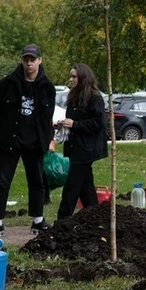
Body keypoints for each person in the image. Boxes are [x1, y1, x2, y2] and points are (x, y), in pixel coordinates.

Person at [0, 44, 56, 239]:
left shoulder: (47, 87)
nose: (29, 63)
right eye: (25, 59)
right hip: (10, 142)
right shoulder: (7, 84)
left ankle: (38, 221)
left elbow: (47, 116)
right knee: (2, 182)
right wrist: (4, 129)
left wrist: (46, 138)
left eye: (32, 59)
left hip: (35, 143)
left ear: (40, 60)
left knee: (37, 182)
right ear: (22, 61)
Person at [56, 64, 107, 220]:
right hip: (75, 146)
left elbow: (98, 123)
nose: (71, 79)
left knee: (72, 185)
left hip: (86, 149)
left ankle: (63, 220)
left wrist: (75, 125)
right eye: (70, 76)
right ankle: (94, 216)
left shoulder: (94, 97)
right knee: (86, 186)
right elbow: (74, 120)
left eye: (74, 77)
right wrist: (63, 124)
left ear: (83, 77)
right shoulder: (73, 96)